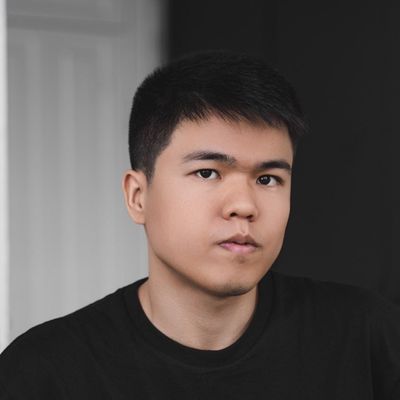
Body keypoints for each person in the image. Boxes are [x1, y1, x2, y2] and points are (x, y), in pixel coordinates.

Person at [1, 51, 399, 399]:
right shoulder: (43, 372)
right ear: (138, 196)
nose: (244, 206)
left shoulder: (366, 337)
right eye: (207, 173)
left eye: (268, 179)